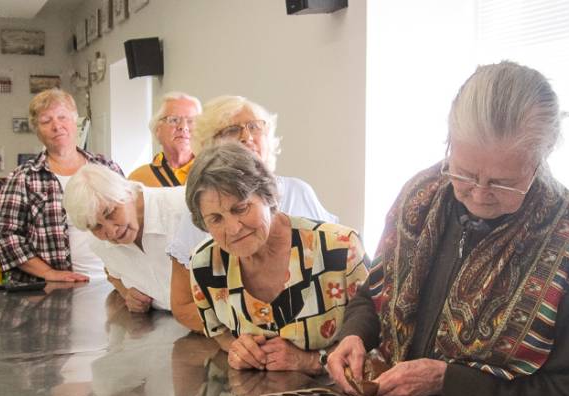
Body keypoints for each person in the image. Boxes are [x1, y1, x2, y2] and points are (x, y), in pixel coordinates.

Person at [327, 61, 569, 396]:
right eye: (464, 172)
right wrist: (353, 334)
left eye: (501, 182)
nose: (478, 194)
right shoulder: (420, 197)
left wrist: (447, 383)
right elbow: (375, 293)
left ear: (540, 159)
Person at [185, 143, 368, 375]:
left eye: (240, 208)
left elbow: (378, 342)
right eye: (215, 219)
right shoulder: (205, 264)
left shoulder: (340, 248)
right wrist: (238, 349)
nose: (233, 229)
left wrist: (309, 361)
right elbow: (219, 332)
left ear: (267, 196)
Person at [168, 95, 338, 331]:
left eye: (255, 126)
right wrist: (246, 335)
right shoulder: (202, 212)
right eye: (232, 129)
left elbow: (338, 273)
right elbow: (183, 304)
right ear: (208, 146)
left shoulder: (300, 192)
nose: (247, 137)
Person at [0, 89, 123, 283]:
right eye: (46, 121)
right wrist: (48, 273)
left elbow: (131, 218)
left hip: (113, 284)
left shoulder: (107, 168)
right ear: (37, 130)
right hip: (54, 291)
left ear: (74, 120)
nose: (57, 126)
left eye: (62, 117)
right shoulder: (23, 178)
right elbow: (5, 235)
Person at [63, 163, 187, 312]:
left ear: (127, 193)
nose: (111, 231)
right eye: (97, 226)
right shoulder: (98, 244)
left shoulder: (182, 206)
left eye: (110, 213)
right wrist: (127, 293)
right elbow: (114, 275)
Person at [128, 92, 202, 187]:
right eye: (174, 120)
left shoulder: (213, 173)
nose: (183, 127)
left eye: (191, 121)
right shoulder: (138, 179)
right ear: (158, 130)